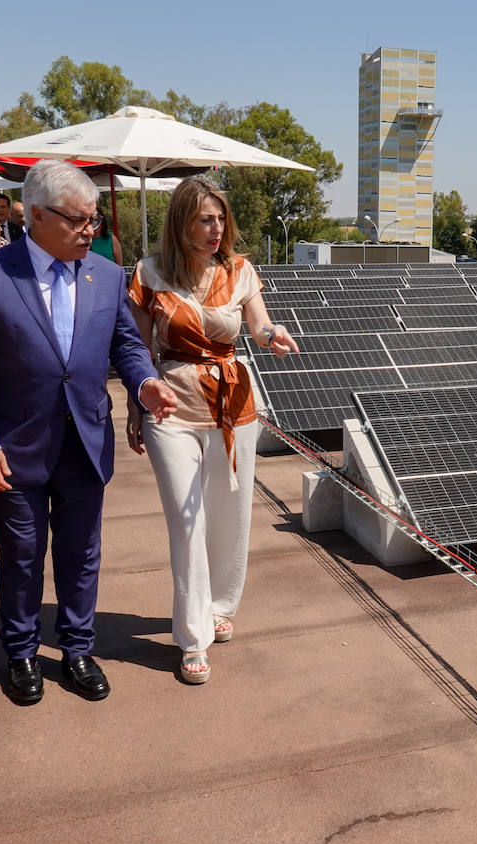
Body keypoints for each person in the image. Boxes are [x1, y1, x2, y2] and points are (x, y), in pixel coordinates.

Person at [0, 159, 178, 706]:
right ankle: (21, 653)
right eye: (79, 221)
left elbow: (126, 344)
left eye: (94, 220)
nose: (90, 231)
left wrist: (145, 384)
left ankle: (78, 649)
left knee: (82, 554)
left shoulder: (105, 273)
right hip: (15, 447)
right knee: (23, 553)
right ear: (35, 215)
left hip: (86, 439)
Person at [125, 177, 299, 685]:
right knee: (186, 519)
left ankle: (221, 603)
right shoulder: (149, 273)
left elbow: (260, 325)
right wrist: (135, 408)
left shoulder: (241, 270)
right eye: (205, 218)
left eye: (221, 217)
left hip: (233, 404)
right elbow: (137, 350)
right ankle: (193, 635)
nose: (216, 228)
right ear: (181, 222)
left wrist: (272, 336)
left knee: (230, 512)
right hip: (171, 406)